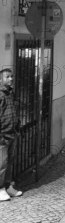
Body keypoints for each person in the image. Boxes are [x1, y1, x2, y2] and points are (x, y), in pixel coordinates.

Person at [0, 68, 22, 201]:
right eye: (7, 77)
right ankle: (0, 188)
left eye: (12, 77)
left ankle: (8, 186)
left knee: (9, 162)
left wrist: (17, 129)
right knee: (1, 164)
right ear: (1, 79)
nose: (11, 79)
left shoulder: (10, 93)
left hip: (12, 133)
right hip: (2, 135)